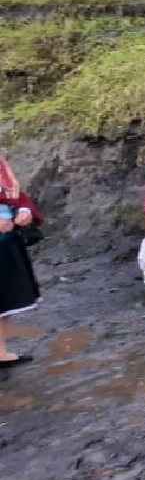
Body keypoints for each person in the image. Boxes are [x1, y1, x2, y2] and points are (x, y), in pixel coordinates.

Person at [0, 153, 42, 367]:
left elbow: (16, 198)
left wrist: (24, 212)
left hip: (6, 243)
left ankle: (0, 351)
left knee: (5, 299)